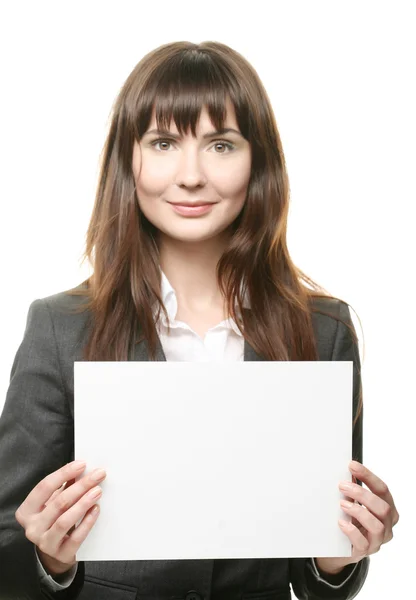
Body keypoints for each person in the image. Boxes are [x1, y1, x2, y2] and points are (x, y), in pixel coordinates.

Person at [0, 40, 399, 600]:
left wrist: (336, 561)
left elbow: (319, 570)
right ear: (128, 159)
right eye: (163, 143)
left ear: (258, 160)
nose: (191, 176)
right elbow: (6, 549)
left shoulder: (324, 330)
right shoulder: (60, 327)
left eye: (220, 144)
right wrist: (46, 557)